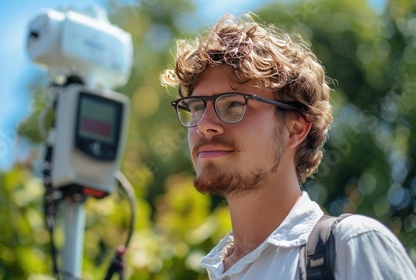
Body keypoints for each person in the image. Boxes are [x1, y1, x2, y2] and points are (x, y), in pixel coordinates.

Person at [161, 13, 416, 279]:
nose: (203, 125)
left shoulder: (352, 247)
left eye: (234, 104)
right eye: (196, 108)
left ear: (295, 129)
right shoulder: (215, 270)